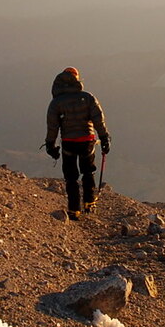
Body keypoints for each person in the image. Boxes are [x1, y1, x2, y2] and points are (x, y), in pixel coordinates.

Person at [43, 66, 111, 220]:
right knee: (88, 171)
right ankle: (89, 202)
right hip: (87, 140)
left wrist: (50, 145)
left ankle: (74, 210)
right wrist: (104, 138)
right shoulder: (87, 98)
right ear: (76, 79)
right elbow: (98, 120)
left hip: (68, 142)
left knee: (71, 177)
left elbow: (52, 126)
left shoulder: (56, 102)